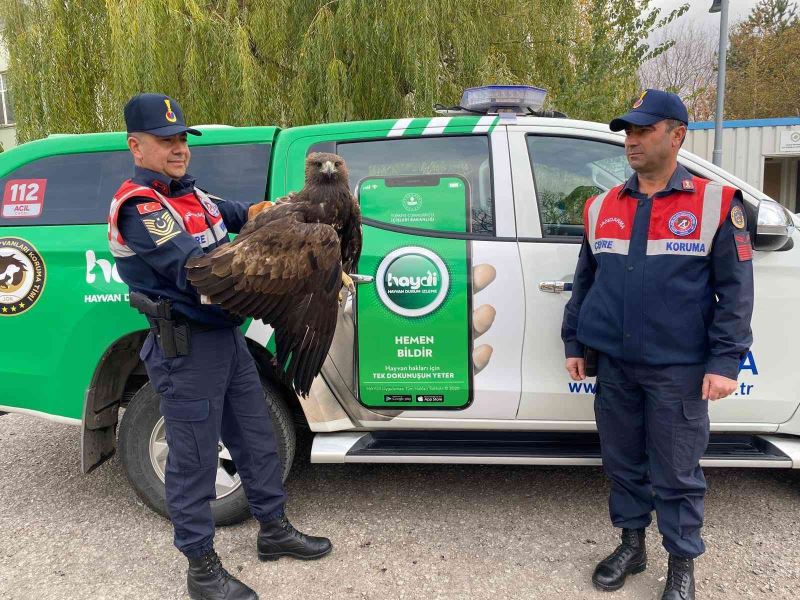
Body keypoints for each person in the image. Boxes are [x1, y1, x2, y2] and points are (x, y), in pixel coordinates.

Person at [108, 93, 332, 600]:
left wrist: (276, 213)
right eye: (165, 141)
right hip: (185, 349)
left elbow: (241, 213)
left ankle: (273, 531)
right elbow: (199, 269)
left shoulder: (194, 195)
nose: (178, 148)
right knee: (194, 459)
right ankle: (201, 568)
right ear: (135, 146)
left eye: (182, 138)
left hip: (227, 339)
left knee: (257, 437)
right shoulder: (143, 207)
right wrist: (285, 273)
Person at [561, 89, 754, 600]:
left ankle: (681, 564)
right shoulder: (601, 206)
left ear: (677, 135)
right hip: (617, 365)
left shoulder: (715, 203)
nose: (632, 140)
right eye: (628, 131)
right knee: (622, 462)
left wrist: (725, 361)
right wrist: (575, 342)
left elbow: (736, 293)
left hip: (680, 369)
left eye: (644, 130)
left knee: (676, 471)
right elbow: (585, 282)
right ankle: (632, 544)